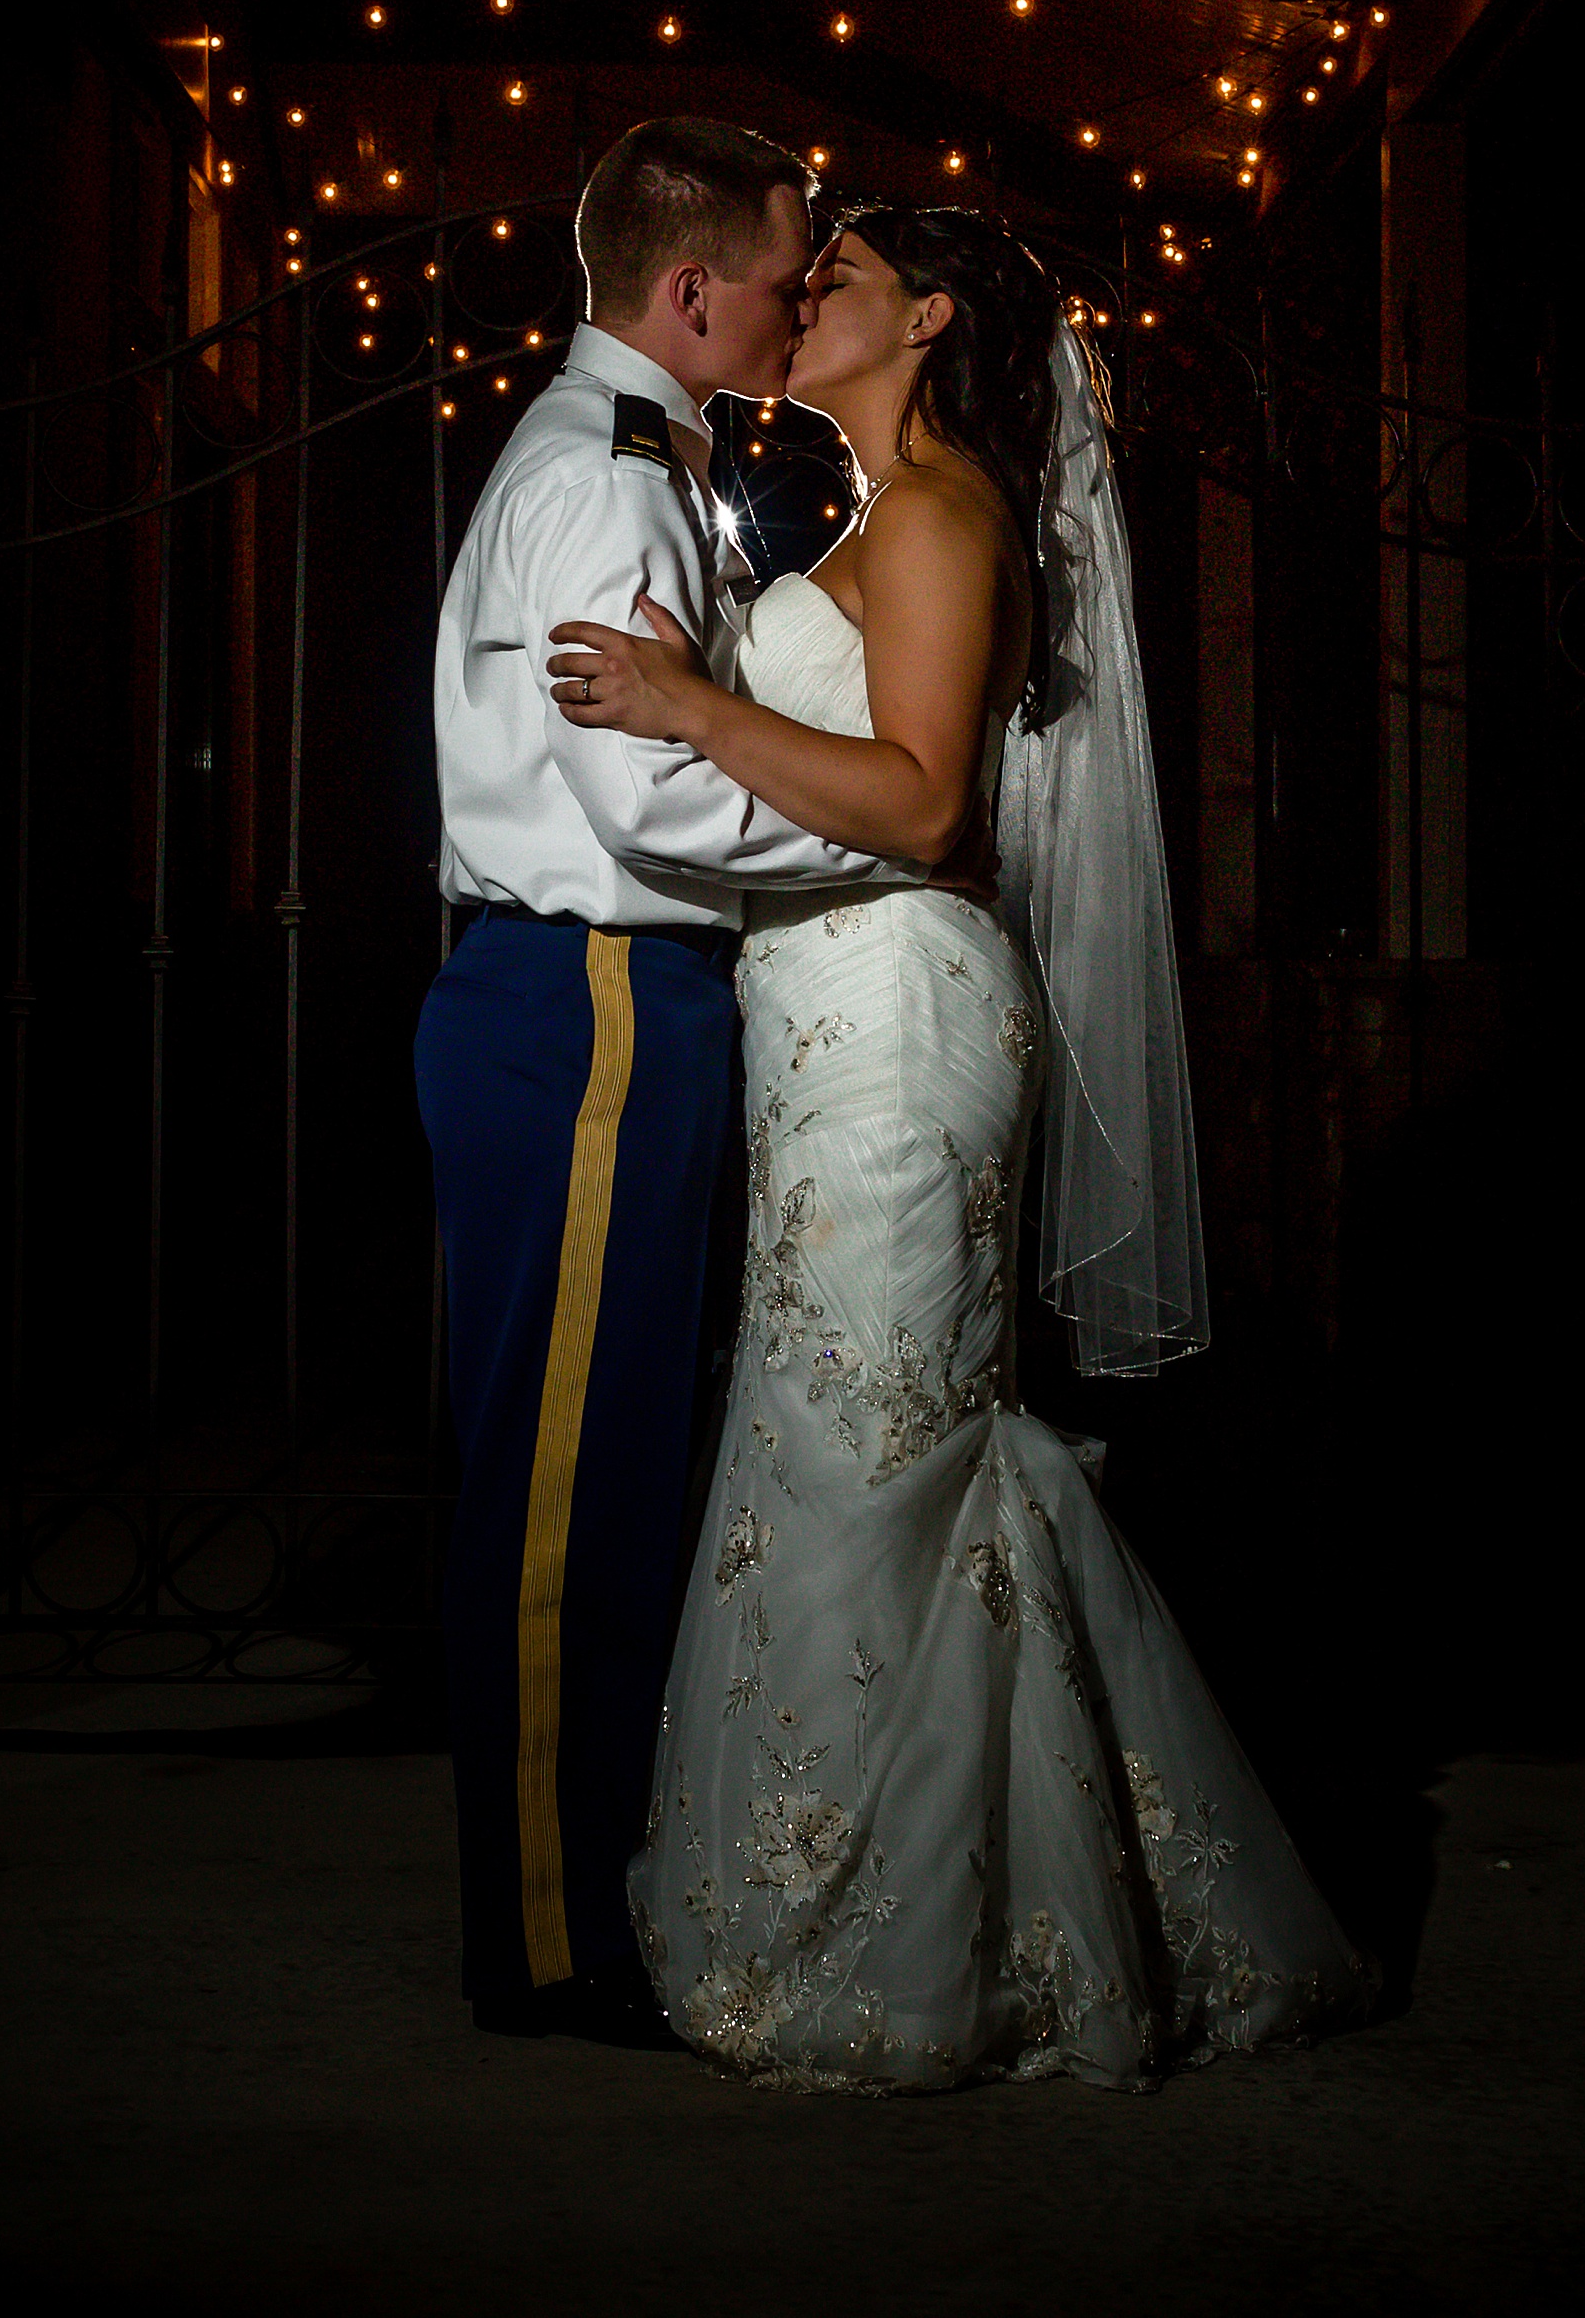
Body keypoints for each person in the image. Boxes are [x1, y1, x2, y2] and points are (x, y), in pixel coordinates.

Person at [547, 204, 1378, 2088]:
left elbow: (925, 803)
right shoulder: (869, 510)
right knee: (850, 1454)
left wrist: (690, 703)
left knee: (880, 1463)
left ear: (928, 319)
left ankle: (927, 1939)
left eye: (835, 270)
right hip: (826, 1029)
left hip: (902, 1028)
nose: (800, 289)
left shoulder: (939, 512)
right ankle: (902, 1891)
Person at [415, 120, 945, 2047]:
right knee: (571, 1489)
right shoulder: (609, 485)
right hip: (597, 995)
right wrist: (884, 843)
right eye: (790, 272)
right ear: (691, 291)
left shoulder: (625, 460)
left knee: (598, 1460)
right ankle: (548, 1944)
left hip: (576, 997)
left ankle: (564, 1897)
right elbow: (645, 806)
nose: (806, 300)